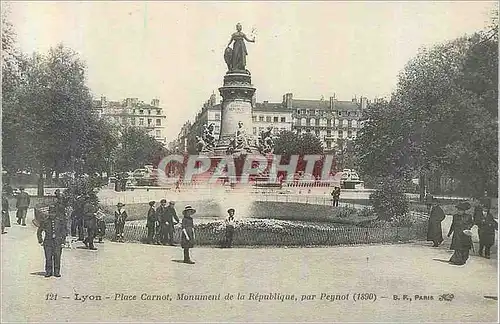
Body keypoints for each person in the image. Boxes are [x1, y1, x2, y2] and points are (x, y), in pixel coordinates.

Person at [37, 205, 67, 277]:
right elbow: (39, 231)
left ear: (56, 213)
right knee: (48, 257)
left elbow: (64, 232)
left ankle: (57, 271)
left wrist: (63, 241)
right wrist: (40, 240)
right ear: (48, 213)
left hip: (57, 242)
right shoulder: (45, 221)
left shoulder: (60, 221)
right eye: (50, 213)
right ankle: (48, 271)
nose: (52, 215)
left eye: (53, 213)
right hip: (48, 242)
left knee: (57, 257)